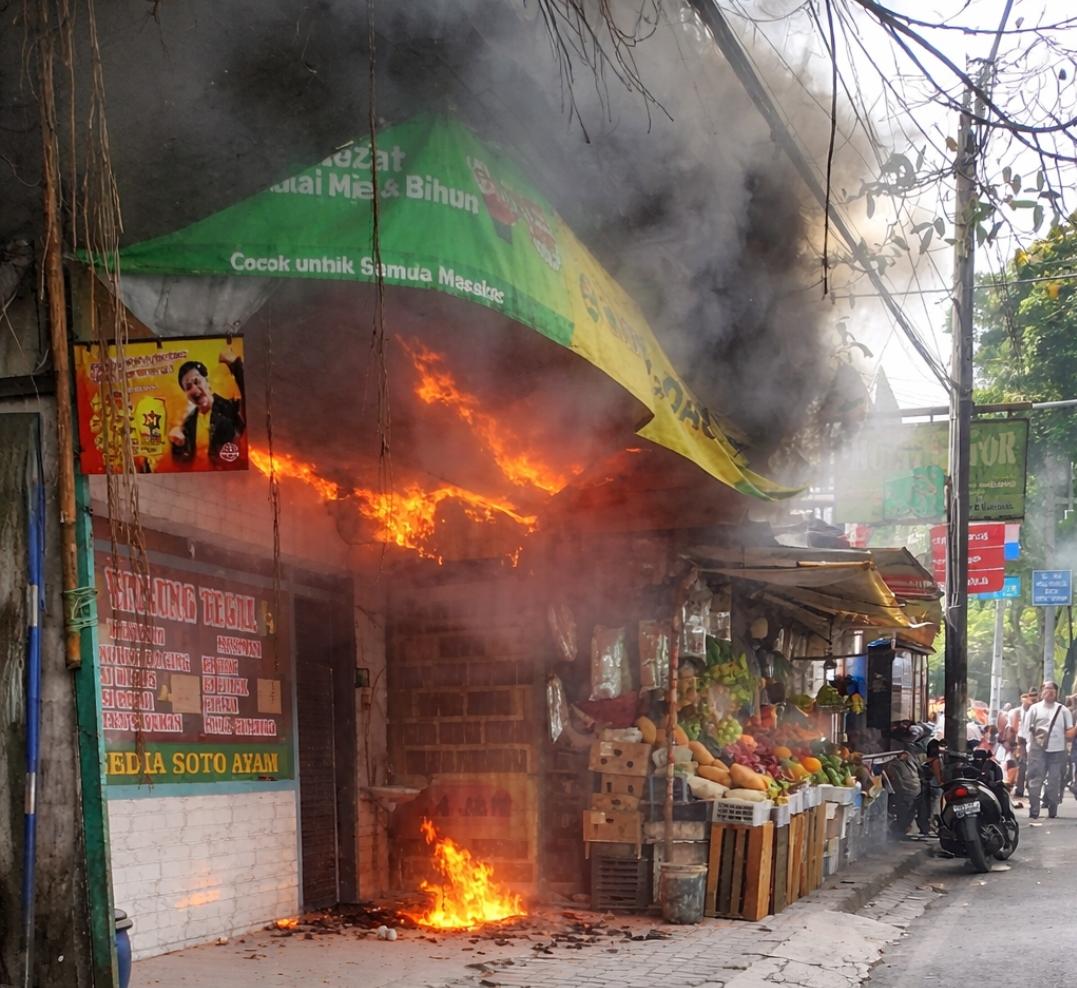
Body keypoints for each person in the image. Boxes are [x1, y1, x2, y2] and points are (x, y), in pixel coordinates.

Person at [169, 344, 246, 468]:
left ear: (207, 381)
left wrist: (236, 365)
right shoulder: (188, 423)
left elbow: (251, 398)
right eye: (188, 387)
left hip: (231, 480)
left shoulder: (230, 408)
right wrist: (179, 445)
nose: (194, 389)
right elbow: (181, 464)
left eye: (196, 381)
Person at [1024, 681, 1076, 819]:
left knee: (1054, 780)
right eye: (1047, 689)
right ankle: (1034, 810)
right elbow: (1025, 730)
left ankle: (1053, 808)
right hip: (1037, 750)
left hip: (1058, 751)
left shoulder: (1063, 710)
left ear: (1056, 693)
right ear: (1042, 692)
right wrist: (1024, 747)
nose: (1049, 692)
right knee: (1035, 780)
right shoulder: (1034, 709)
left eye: (1052, 690)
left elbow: (1069, 732)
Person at [883, 750, 922, 838]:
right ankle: (903, 828)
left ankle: (899, 830)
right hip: (916, 790)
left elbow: (890, 776)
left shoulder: (893, 765)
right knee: (909, 810)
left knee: (902, 810)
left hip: (904, 791)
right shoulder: (912, 762)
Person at [915, 739, 943, 836]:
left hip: (925, 784)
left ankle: (925, 827)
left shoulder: (925, 759)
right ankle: (932, 827)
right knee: (934, 808)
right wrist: (941, 783)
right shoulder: (936, 761)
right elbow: (937, 774)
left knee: (925, 807)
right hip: (935, 785)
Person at [1012, 691, 1035, 798]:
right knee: (1022, 765)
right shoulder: (1017, 711)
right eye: (1027, 697)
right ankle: (1020, 788)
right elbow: (1015, 728)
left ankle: (1032, 789)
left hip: (1034, 741)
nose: (1029, 699)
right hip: (1022, 740)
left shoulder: (1036, 710)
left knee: (1033, 767)